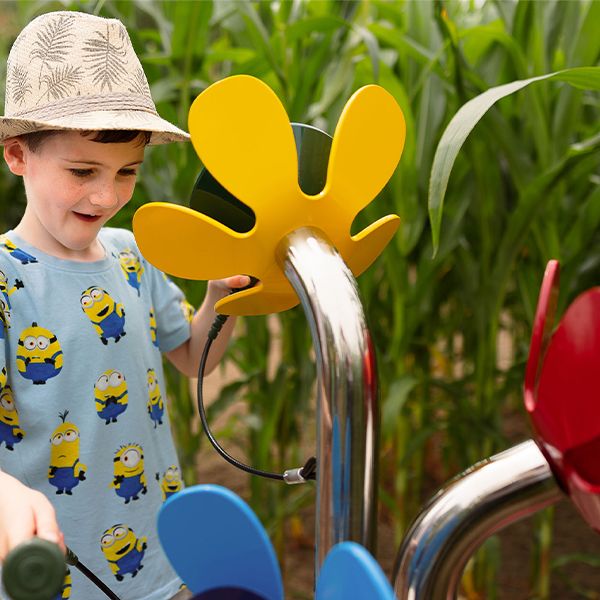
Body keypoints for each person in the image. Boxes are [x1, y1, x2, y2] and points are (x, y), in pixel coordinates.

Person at [0, 10, 247, 600]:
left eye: (127, 172)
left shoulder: (135, 254)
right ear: (17, 155)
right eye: (82, 170)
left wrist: (221, 300)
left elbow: (193, 358)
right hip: (50, 573)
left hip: (157, 555)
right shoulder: (5, 279)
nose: (106, 195)